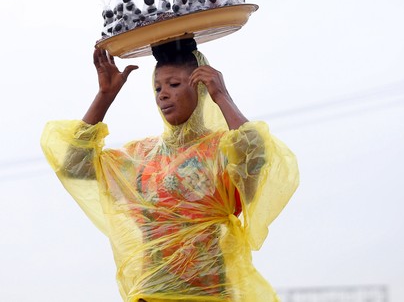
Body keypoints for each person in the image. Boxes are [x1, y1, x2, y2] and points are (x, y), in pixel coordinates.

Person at [41, 37, 299, 302]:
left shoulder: (220, 150)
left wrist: (222, 96)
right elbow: (75, 165)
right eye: (157, 88)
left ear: (200, 89)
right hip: (152, 294)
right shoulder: (142, 157)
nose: (163, 94)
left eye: (174, 85)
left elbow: (256, 154)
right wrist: (104, 96)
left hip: (209, 295)